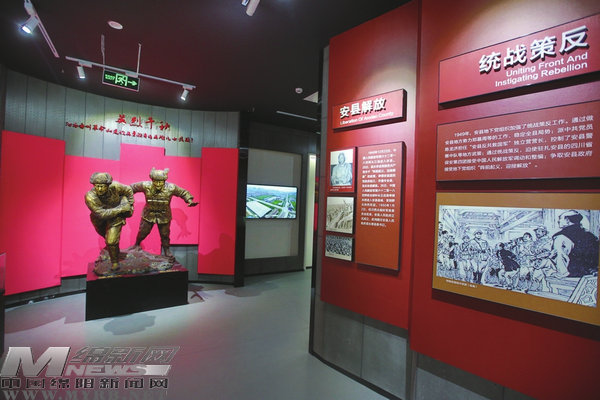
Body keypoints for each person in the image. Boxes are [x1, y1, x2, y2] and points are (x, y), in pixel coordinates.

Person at [131, 168, 198, 258]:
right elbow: (131, 188)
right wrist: (127, 199)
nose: (158, 184)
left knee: (165, 234)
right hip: (149, 214)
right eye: (156, 182)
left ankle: (167, 250)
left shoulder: (171, 188)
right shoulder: (145, 185)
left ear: (164, 181)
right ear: (152, 180)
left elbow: (183, 192)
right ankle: (137, 244)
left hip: (164, 215)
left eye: (161, 182)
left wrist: (189, 200)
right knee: (143, 231)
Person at [84, 172, 134, 271]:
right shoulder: (90, 197)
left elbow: (128, 190)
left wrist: (130, 205)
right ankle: (115, 252)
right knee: (106, 237)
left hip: (115, 218)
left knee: (111, 241)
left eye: (102, 186)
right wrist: (121, 209)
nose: (99, 189)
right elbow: (101, 214)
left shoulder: (115, 186)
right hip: (99, 219)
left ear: (108, 185)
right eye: (97, 186)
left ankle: (114, 262)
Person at [550, 210, 599, 277]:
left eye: (560, 218)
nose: (558, 221)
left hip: (570, 274)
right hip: (589, 273)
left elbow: (558, 256)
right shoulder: (590, 235)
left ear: (567, 220)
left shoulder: (560, 237)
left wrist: (562, 273)